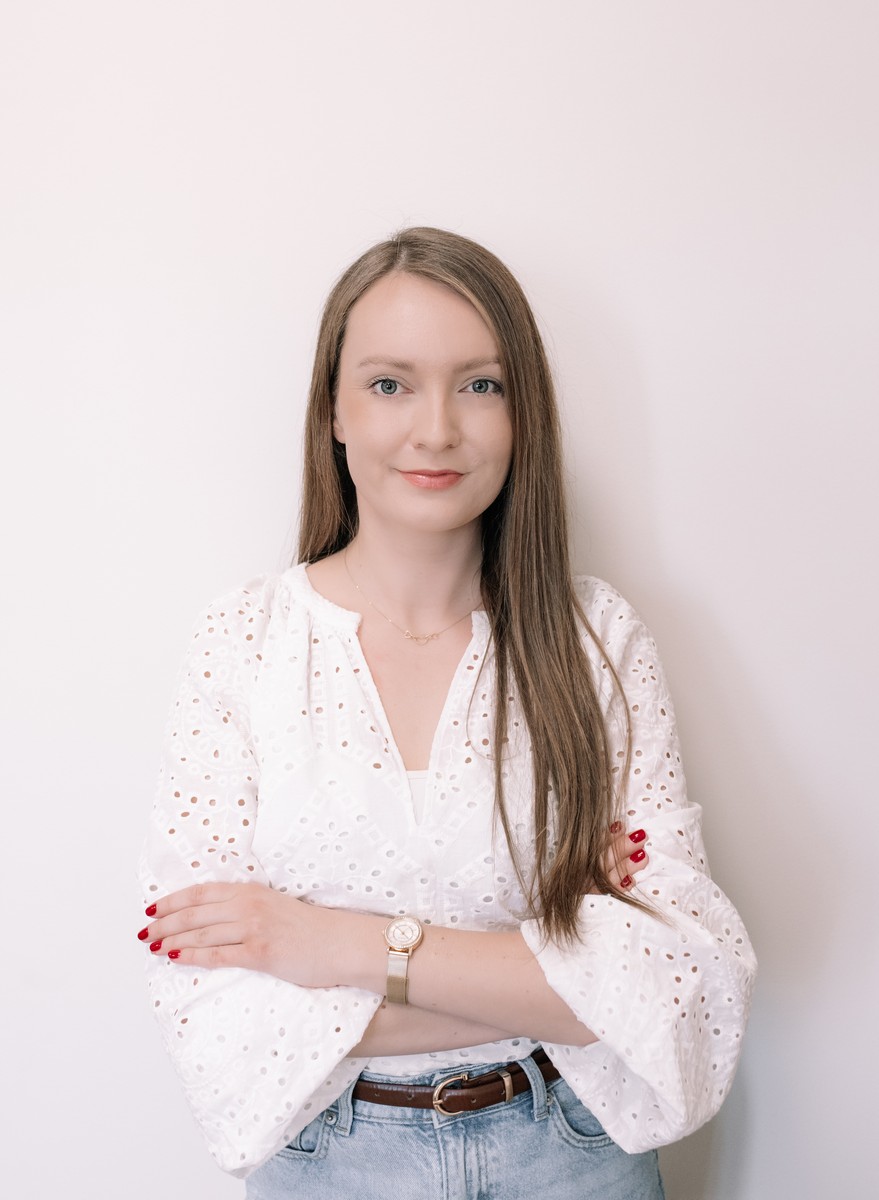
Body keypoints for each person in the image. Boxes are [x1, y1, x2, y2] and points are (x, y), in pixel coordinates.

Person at [138, 227, 755, 1199]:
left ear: (522, 412)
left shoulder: (597, 639)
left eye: (480, 384)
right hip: (330, 1164)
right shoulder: (243, 642)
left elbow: (673, 976)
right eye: (390, 384)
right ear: (333, 411)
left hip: (575, 1156)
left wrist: (328, 944)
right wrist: (558, 985)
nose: (435, 430)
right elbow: (216, 1009)